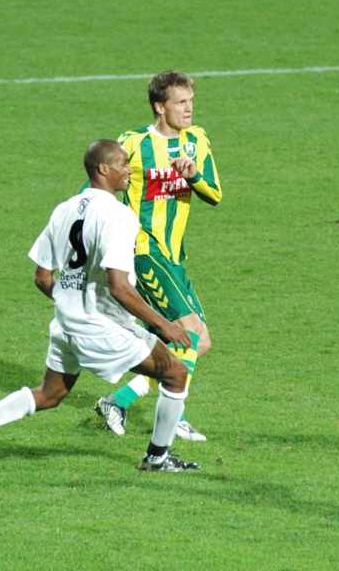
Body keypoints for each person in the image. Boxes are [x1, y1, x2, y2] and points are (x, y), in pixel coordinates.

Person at [0, 140, 202, 477]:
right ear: (102, 169)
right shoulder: (119, 215)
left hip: (66, 325)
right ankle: (157, 458)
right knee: (175, 373)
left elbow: (43, 278)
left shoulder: (64, 209)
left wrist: (72, 303)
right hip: (102, 329)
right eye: (121, 163)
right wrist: (165, 325)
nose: (128, 169)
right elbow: (119, 287)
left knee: (49, 394)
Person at [95, 70, 222, 441]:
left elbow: (214, 194)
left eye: (191, 101)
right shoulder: (132, 143)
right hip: (142, 251)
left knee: (200, 342)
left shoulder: (196, 141)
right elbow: (101, 185)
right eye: (180, 102)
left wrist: (193, 176)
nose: (189, 109)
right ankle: (172, 411)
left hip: (174, 257)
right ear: (159, 107)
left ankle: (118, 400)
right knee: (190, 334)